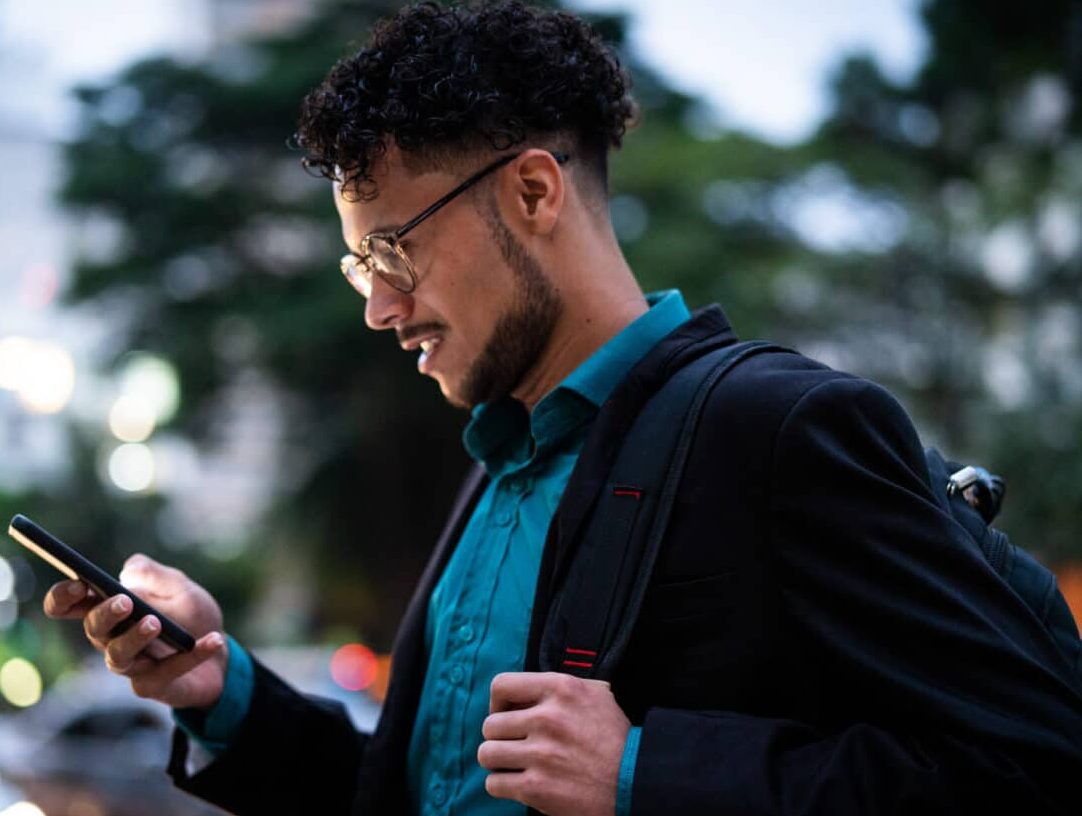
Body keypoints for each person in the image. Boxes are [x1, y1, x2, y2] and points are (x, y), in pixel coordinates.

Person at [43, 2, 1082, 815]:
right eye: (359, 266)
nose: (378, 308)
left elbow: (1036, 762)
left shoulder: (777, 427)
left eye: (393, 251)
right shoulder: (502, 464)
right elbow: (414, 796)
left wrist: (645, 773)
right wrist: (220, 690)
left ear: (533, 193)